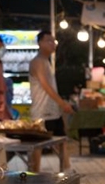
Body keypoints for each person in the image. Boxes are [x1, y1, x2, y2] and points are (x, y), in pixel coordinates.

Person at [28, 30, 74, 172]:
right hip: (41, 113)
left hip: (52, 111)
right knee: (37, 147)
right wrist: (62, 103)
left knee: (62, 141)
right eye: (49, 41)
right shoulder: (37, 62)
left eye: (54, 41)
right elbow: (46, 86)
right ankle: (33, 174)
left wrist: (59, 105)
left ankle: (66, 171)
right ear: (40, 43)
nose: (53, 44)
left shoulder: (47, 61)